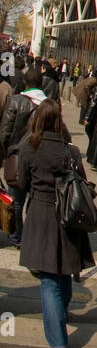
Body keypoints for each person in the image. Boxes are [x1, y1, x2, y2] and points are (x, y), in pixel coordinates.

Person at [18, 99, 94, 348]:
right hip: (67, 218)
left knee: (49, 278)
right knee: (64, 271)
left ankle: (59, 340)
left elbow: (23, 181)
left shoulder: (30, 146)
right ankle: (60, 314)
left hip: (41, 213)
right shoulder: (70, 151)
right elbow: (82, 182)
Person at [0, 84, 46, 246]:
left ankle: (16, 236)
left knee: (16, 201)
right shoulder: (48, 105)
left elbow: (5, 132)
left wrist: (6, 154)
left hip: (17, 158)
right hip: (40, 160)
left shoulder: (16, 101)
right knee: (34, 202)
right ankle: (32, 237)